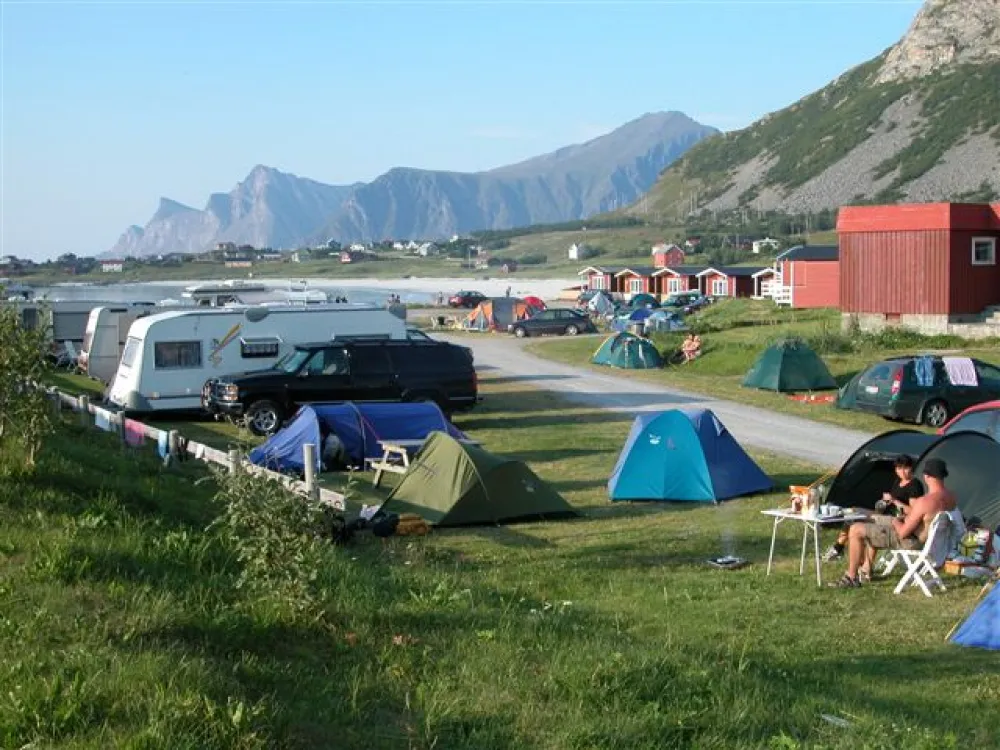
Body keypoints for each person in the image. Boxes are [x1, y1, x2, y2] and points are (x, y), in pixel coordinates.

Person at [830, 458, 956, 588]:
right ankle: (866, 568)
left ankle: (851, 577)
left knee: (856, 529)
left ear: (926, 476)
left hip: (911, 541)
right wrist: (901, 518)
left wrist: (896, 520)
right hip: (926, 539)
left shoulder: (924, 502)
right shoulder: (951, 497)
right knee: (870, 518)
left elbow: (902, 533)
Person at [822, 454, 924, 563]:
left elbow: (913, 512)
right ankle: (839, 546)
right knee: (853, 512)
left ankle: (845, 553)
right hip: (885, 514)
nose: (902, 472)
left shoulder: (914, 485)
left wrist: (894, 500)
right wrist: (885, 502)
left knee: (861, 522)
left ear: (911, 468)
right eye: (899, 469)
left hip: (897, 520)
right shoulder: (898, 482)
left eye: (905, 468)